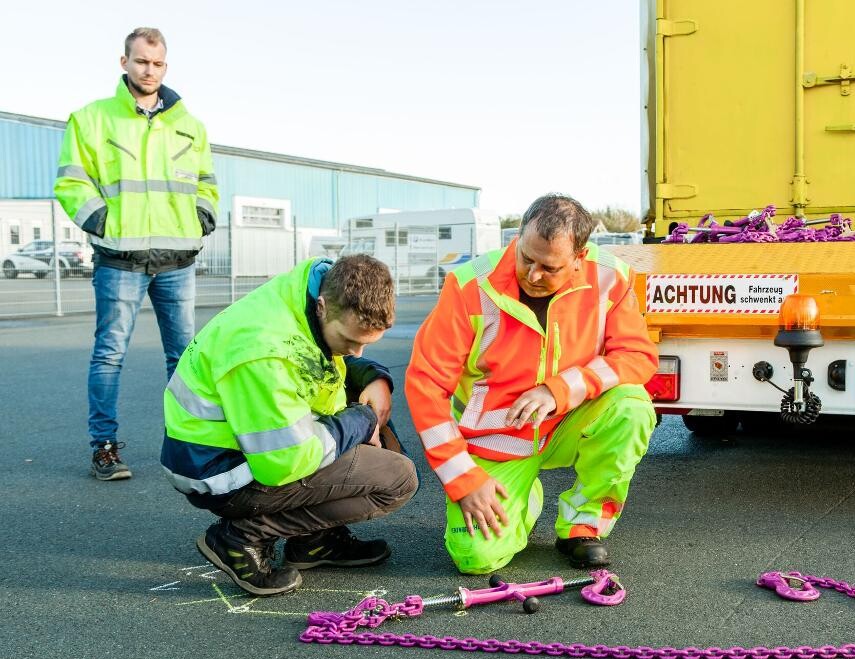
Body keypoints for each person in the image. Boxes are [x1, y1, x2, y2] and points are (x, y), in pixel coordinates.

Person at [405, 194, 658, 574]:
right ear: (519, 236)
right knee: (476, 559)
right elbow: (426, 384)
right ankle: (526, 496)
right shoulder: (469, 285)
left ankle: (582, 523)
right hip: (496, 436)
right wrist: (464, 479)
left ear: (580, 258)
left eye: (549, 267)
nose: (532, 275)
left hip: (570, 420)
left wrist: (560, 389)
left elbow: (637, 356)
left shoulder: (610, 277)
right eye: (526, 257)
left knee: (632, 407)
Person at [161, 254, 418, 596]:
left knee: (370, 423)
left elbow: (315, 361)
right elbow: (284, 463)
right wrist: (360, 420)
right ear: (324, 307)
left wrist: (373, 377)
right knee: (397, 478)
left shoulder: (303, 296)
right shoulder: (262, 351)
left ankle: (315, 542)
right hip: (221, 470)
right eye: (349, 340)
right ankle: (243, 537)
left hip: (232, 448)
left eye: (366, 344)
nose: (355, 352)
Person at [54, 27, 219, 481]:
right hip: (120, 259)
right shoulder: (91, 119)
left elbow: (207, 181)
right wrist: (101, 222)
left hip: (178, 260)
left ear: (166, 66)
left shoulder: (190, 125)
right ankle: (104, 448)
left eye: (158, 63)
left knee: (185, 358)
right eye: (142, 61)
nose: (150, 70)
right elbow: (71, 181)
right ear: (124, 62)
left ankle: (187, 444)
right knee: (109, 354)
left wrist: (202, 216)